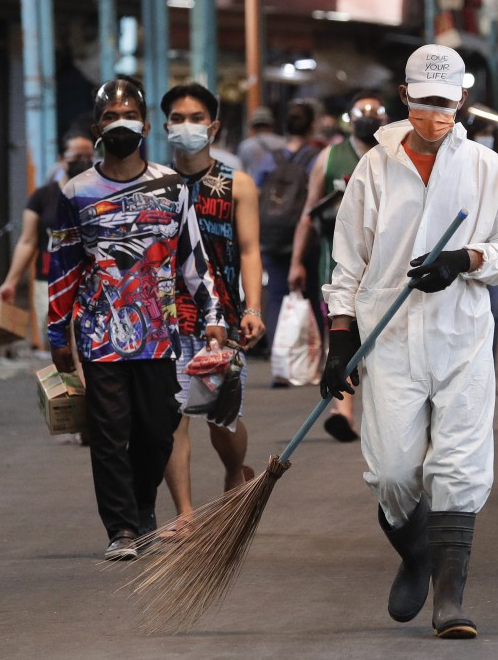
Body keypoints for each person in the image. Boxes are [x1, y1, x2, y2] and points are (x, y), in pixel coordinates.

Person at [321, 44, 498, 639]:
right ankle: (416, 554)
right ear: (404, 99)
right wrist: (340, 338)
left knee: (458, 467)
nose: (436, 114)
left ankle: (450, 597)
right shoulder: (374, 167)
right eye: (425, 103)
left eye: (446, 104)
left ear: (461, 101)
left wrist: (465, 258)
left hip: (460, 336)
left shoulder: (488, 169)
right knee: (391, 472)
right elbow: (348, 262)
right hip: (387, 338)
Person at [48, 76, 226, 561]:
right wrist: (56, 332)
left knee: (157, 430)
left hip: (159, 333)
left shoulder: (170, 187)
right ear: (97, 127)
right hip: (99, 334)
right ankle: (122, 528)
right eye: (110, 116)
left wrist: (213, 316)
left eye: (129, 115)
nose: (120, 123)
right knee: (109, 433)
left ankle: (143, 505)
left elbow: (194, 259)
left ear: (146, 125)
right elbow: (62, 268)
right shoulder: (76, 193)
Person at [159, 82, 265, 527]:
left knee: (220, 419)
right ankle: (184, 513)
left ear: (214, 126)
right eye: (178, 119)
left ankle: (232, 470)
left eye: (196, 118)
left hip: (218, 314)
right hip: (165, 316)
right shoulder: (156, 185)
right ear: (165, 127)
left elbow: (249, 250)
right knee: (172, 416)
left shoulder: (235, 184)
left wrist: (252, 308)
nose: (187, 126)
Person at [288, 91, 389, 441]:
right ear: (349, 119)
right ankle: (342, 411)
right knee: (342, 332)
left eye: (375, 113)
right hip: (335, 263)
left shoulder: (392, 155)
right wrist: (296, 262)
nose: (369, 118)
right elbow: (308, 213)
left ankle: (368, 413)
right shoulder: (329, 158)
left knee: (376, 338)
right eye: (362, 112)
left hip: (383, 264)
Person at [0, 131, 95, 354]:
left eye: (88, 156)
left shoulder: (98, 194)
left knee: (87, 346)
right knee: (60, 349)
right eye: (76, 156)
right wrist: (10, 282)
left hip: (90, 281)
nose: (83, 161)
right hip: (49, 284)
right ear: (62, 158)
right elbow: (28, 241)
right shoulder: (43, 196)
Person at [254, 99, 322, 365]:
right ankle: (310, 360)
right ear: (311, 126)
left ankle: (279, 356)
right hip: (304, 236)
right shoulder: (314, 158)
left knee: (276, 295)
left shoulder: (270, 159)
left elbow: (260, 193)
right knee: (310, 294)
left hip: (271, 234)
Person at [237, 106, 286, 177]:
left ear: (253, 127)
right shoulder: (284, 143)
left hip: (254, 186)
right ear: (272, 124)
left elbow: (241, 171)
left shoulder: (246, 145)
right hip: (279, 186)